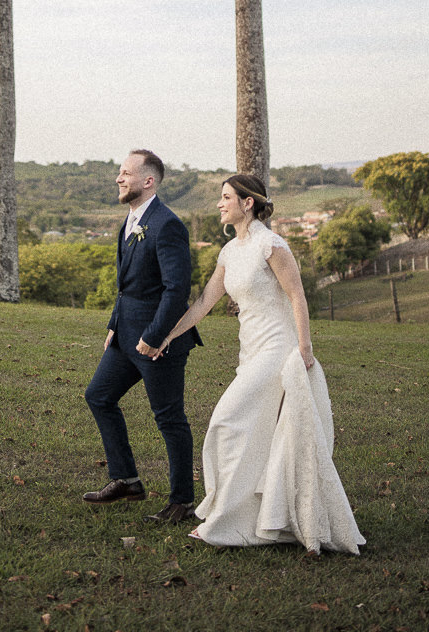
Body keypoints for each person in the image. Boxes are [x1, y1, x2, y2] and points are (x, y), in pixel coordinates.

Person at [139, 173, 365, 553]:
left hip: (278, 350)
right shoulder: (229, 253)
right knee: (255, 434)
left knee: (227, 421)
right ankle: (256, 519)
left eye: (226, 197)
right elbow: (202, 304)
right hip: (250, 352)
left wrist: (305, 349)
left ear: (247, 203)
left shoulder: (271, 245)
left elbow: (297, 297)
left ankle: (224, 520)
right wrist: (166, 336)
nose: (219, 203)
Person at [84, 149, 201, 523]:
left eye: (125, 173)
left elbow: (176, 290)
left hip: (159, 342)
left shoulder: (167, 225)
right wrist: (114, 325)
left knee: (169, 418)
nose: (118, 179)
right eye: (119, 173)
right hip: (126, 337)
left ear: (147, 181)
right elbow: (127, 287)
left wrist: (154, 336)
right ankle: (126, 479)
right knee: (99, 396)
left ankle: (182, 501)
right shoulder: (130, 220)